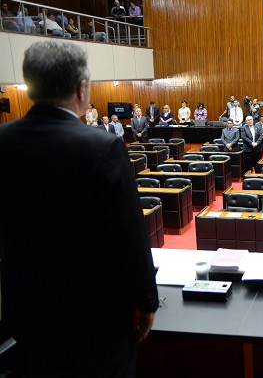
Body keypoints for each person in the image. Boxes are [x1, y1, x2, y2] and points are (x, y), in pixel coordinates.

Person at [0, 41, 158, 376]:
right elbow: (129, 235)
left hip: (25, 309)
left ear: (30, 87)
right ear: (81, 88)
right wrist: (146, 302)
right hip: (95, 319)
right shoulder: (101, 146)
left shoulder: (4, 141)